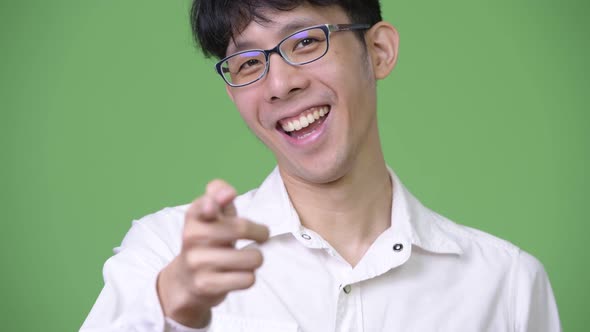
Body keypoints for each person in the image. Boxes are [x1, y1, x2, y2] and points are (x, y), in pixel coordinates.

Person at [81, 0, 561, 331]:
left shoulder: (508, 285)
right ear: (233, 93)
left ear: (378, 52)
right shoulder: (165, 254)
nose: (279, 84)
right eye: (248, 63)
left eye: (306, 41)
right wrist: (167, 308)